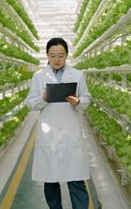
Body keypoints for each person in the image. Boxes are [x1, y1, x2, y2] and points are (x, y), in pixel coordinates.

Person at [25, 37, 91, 209]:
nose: (57, 59)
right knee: (50, 181)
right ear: (47, 55)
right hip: (49, 134)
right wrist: (44, 98)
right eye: (53, 55)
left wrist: (78, 102)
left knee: (76, 180)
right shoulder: (39, 77)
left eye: (61, 55)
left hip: (71, 132)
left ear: (67, 55)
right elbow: (30, 103)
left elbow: (87, 99)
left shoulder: (77, 75)